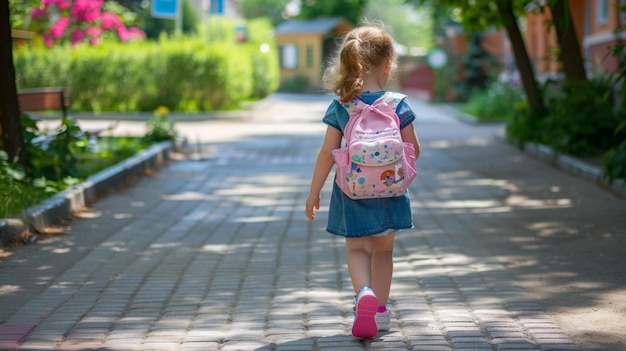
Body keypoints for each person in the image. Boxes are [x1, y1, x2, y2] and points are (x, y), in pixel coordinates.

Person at [305, 22, 421, 339]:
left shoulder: (340, 106)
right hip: (392, 191)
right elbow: (414, 149)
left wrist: (314, 192)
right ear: (387, 66)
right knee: (384, 252)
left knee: (357, 250)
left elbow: (328, 153)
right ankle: (380, 312)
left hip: (351, 191)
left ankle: (363, 294)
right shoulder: (398, 104)